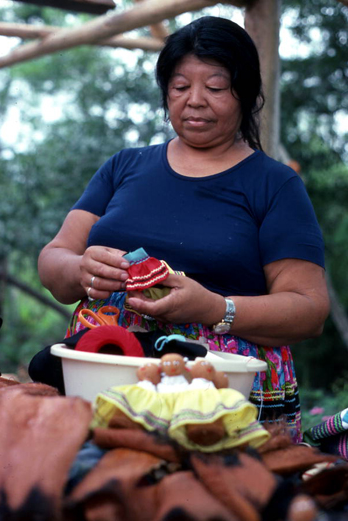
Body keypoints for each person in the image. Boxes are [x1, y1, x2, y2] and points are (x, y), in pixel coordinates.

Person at [33, 16, 330, 443]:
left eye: (214, 88)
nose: (194, 101)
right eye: (179, 87)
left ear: (245, 93)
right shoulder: (124, 166)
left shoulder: (274, 184)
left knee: (208, 498)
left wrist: (213, 309)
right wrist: (81, 268)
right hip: (104, 375)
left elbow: (309, 309)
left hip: (218, 393)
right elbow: (52, 261)